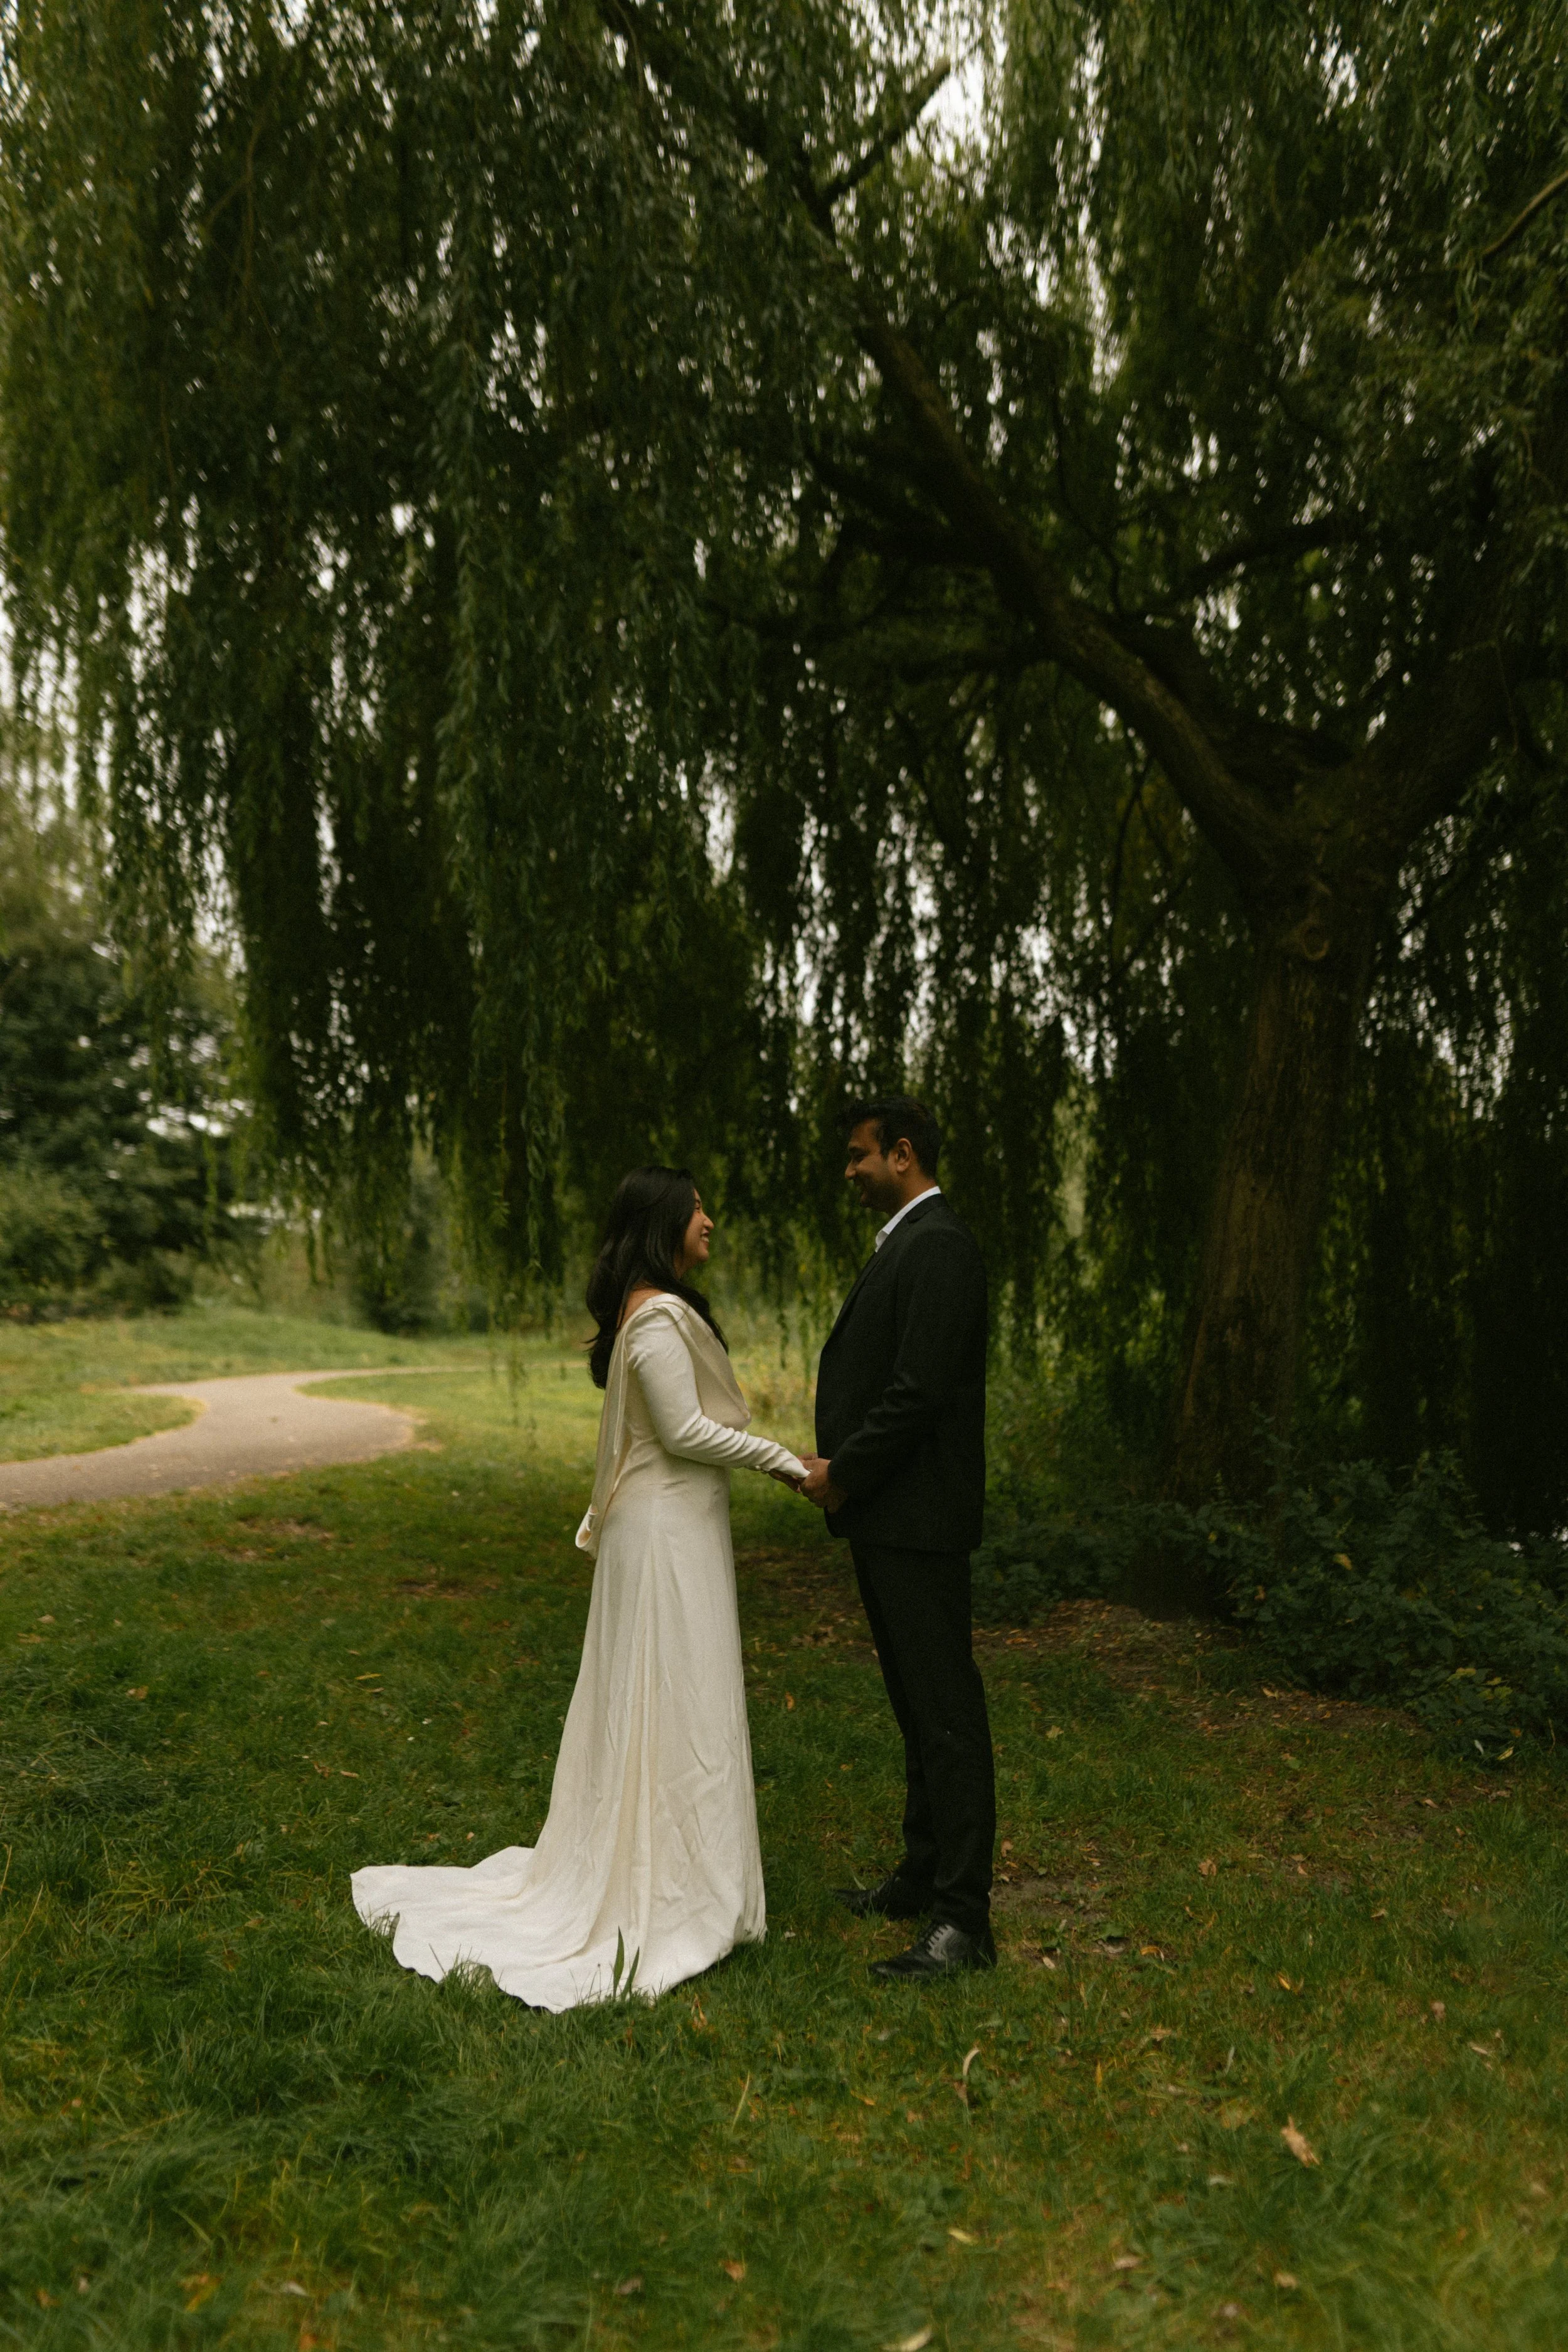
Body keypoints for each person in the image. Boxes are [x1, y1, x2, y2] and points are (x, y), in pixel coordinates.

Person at [352, 1166, 805, 2010]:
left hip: (670, 1527)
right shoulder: (658, 1318)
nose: (710, 1219)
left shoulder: (649, 1311)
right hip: (666, 1535)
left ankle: (687, 1873)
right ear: (666, 1221)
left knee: (671, 1694)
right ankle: (676, 1889)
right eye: (698, 1207)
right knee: (677, 1692)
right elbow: (683, 1429)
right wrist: (786, 1461)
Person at [797, 1098, 995, 1979]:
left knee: (947, 1716)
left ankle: (964, 1921)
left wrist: (844, 1469)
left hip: (918, 1519)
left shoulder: (941, 1245)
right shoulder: (906, 1242)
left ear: (903, 1154)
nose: (849, 1171)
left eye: (858, 1156)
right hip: (889, 1520)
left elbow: (917, 1391)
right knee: (915, 1709)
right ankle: (921, 1872)